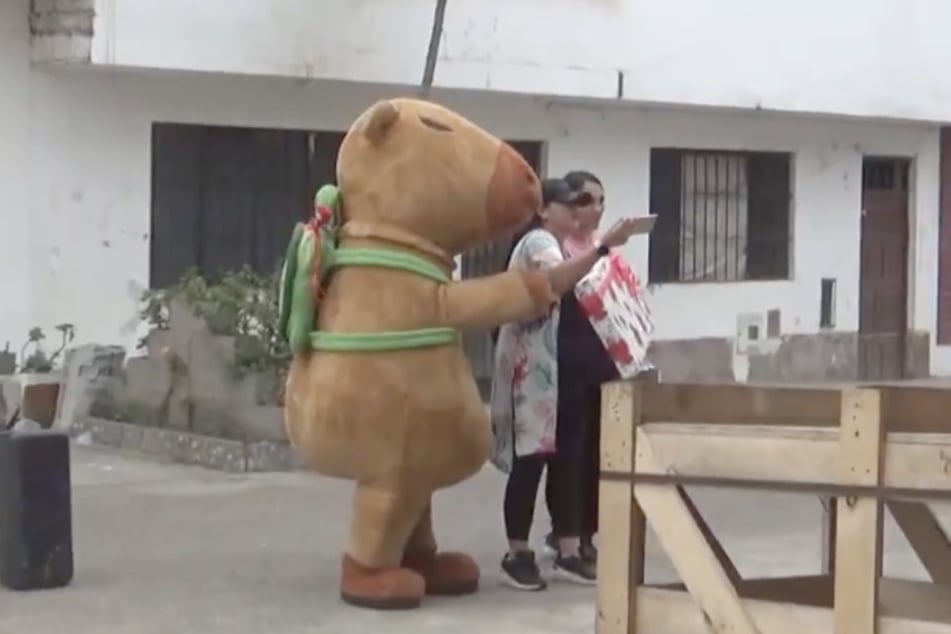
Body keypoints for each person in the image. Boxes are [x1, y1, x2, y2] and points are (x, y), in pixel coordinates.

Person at [490, 178, 640, 591]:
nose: (580, 211)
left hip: (554, 372)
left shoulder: (554, 243)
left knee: (562, 458)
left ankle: (569, 549)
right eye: (571, 203)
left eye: (586, 203)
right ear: (545, 210)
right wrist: (604, 247)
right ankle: (517, 552)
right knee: (530, 460)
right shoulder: (539, 242)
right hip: (531, 371)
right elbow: (557, 282)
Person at [542, 170, 657, 567]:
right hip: (568, 363)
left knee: (597, 452)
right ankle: (566, 536)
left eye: (600, 200)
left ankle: (587, 533)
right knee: (569, 453)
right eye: (585, 200)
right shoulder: (558, 250)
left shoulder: (602, 248)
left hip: (604, 364)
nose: (596, 209)